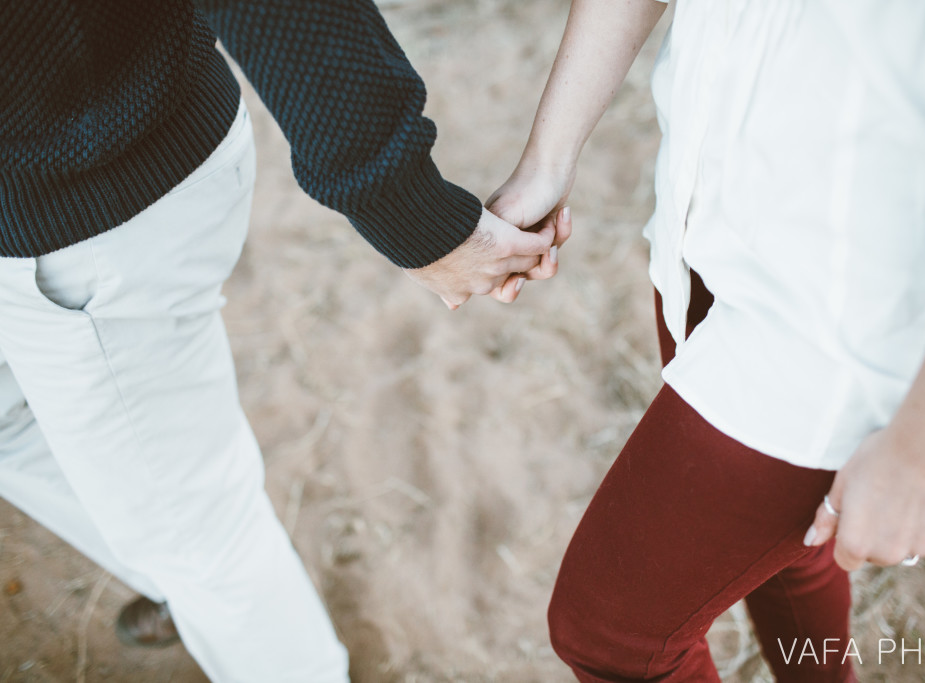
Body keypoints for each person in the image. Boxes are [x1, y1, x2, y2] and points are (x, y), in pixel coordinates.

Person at [0, 1, 567, 681]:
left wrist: (411, 211)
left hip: (89, 197)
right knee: (26, 433)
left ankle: (237, 606)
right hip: (56, 177)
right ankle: (198, 583)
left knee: (203, 541)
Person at [487, 0, 925, 680]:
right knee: (789, 556)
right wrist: (547, 160)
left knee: (612, 635)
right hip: (707, 213)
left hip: (849, 313)